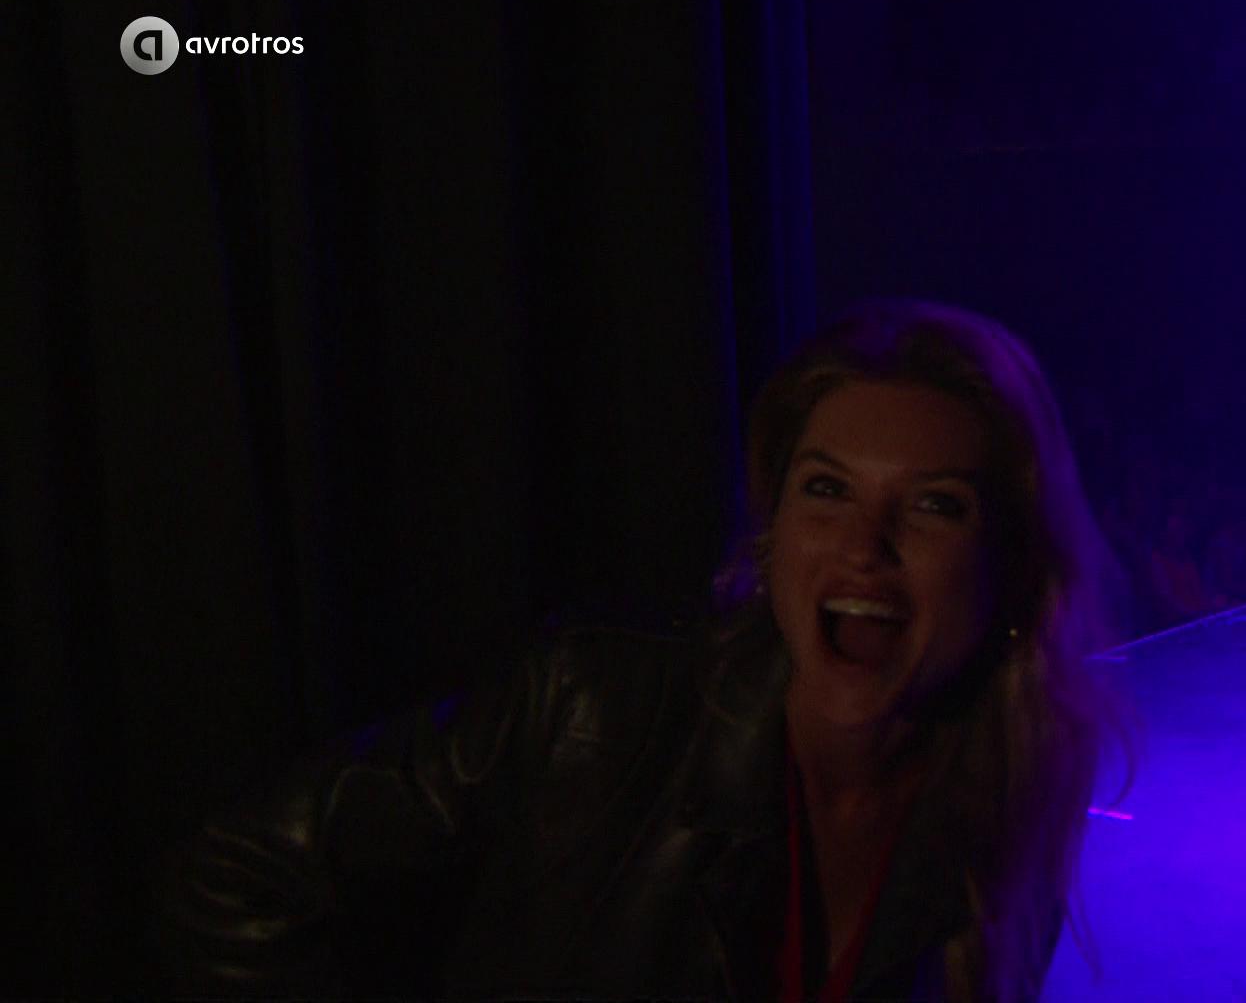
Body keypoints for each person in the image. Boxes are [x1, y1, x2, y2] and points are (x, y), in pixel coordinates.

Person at [154, 300, 1132, 1001]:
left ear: (1012, 571)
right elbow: (235, 875)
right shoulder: (596, 705)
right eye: (826, 490)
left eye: (934, 506)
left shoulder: (1016, 775)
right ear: (774, 537)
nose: (863, 548)